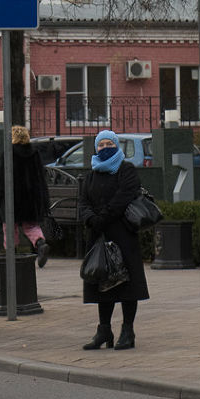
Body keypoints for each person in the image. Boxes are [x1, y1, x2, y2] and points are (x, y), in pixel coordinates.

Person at [77, 129, 150, 350]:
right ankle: (104, 330)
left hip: (122, 234)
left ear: (117, 146)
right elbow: (83, 202)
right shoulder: (91, 175)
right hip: (99, 237)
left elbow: (124, 197)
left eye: (109, 143)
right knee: (102, 283)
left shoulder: (126, 170)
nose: (105, 148)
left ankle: (128, 331)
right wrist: (91, 218)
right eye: (101, 145)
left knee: (127, 285)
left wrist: (103, 217)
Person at [0, 124, 51, 265]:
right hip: (30, 198)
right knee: (31, 225)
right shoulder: (34, 153)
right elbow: (40, 176)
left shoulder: (8, 153)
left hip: (12, 198)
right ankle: (40, 244)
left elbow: (1, 176)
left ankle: (12, 254)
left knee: (10, 227)